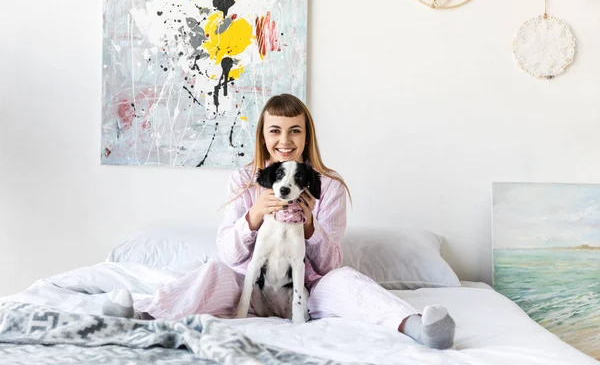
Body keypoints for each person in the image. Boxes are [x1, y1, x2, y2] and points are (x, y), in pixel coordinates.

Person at [103, 93, 455, 350]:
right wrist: (254, 214)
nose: (284, 141)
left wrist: (309, 224)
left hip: (308, 291)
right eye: (275, 131)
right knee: (212, 271)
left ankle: (418, 328)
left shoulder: (326, 184)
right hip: (248, 283)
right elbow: (228, 253)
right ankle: (144, 316)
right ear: (263, 135)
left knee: (347, 279)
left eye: (294, 131)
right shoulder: (244, 179)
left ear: (307, 136)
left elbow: (329, 263)